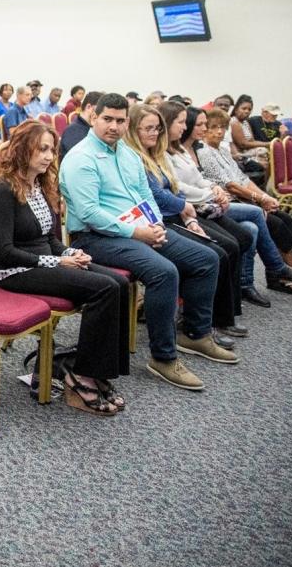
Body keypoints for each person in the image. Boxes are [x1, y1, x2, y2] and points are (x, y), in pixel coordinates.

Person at [60, 93, 233, 393]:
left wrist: (154, 224)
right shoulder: (81, 157)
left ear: (127, 122)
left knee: (206, 258)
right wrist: (137, 233)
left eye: (120, 120)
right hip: (94, 237)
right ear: (94, 118)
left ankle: (195, 332)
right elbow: (89, 213)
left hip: (141, 227)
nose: (114, 126)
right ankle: (163, 357)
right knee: (164, 272)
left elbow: (144, 196)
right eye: (107, 119)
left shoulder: (127, 153)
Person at [0, 120, 130, 415]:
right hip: (15, 273)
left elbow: (49, 239)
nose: (49, 156)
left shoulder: (39, 185)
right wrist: (58, 261)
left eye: (52, 150)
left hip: (44, 265)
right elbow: (6, 251)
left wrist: (73, 252)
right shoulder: (1, 189)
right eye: (42, 149)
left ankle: (101, 372)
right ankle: (81, 376)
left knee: (120, 284)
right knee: (104, 288)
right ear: (23, 149)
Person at [123, 105, 248, 346]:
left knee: (230, 244)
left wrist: (190, 212)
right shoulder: (134, 157)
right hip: (159, 220)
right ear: (134, 129)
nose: (155, 133)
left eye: (157, 128)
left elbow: (171, 189)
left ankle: (204, 324)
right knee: (214, 254)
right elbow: (156, 197)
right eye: (149, 128)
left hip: (171, 216)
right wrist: (186, 207)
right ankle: (196, 327)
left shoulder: (157, 154)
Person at [196, 109, 292, 297]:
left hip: (241, 197)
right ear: (204, 130)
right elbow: (231, 186)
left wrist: (266, 197)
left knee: (283, 217)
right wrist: (259, 200)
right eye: (213, 128)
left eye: (222, 128)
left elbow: (243, 179)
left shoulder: (223, 150)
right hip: (229, 200)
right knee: (274, 222)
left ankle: (283, 274)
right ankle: (285, 274)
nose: (219, 132)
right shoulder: (204, 152)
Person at [59, 90, 103, 161]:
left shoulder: (91, 128)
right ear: (89, 107)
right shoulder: (73, 131)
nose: (102, 114)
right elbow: (78, 160)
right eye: (101, 110)